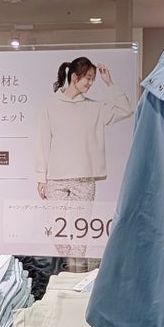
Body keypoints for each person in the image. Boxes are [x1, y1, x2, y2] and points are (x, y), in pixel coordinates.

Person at [37, 57, 133, 256]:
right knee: (54, 230)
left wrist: (110, 84)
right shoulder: (50, 104)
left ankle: (75, 270)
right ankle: (69, 263)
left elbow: (126, 110)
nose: (91, 83)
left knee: (80, 234)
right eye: (88, 78)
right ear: (74, 77)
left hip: (84, 179)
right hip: (56, 179)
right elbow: (42, 142)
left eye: (93, 79)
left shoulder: (95, 108)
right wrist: (41, 177)